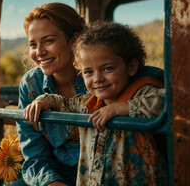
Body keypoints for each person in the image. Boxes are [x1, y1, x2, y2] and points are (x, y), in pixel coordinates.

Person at [23, 21, 168, 185]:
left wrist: (125, 108)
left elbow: (170, 102)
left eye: (107, 69)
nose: (97, 79)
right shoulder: (88, 102)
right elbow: (64, 103)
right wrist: (43, 100)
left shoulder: (143, 93)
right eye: (89, 72)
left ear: (132, 66)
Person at [16, 3, 87, 186]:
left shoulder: (99, 77)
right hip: (54, 175)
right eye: (33, 44)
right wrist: (52, 183)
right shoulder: (31, 85)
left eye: (48, 41)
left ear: (74, 41)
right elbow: (34, 153)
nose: (39, 52)